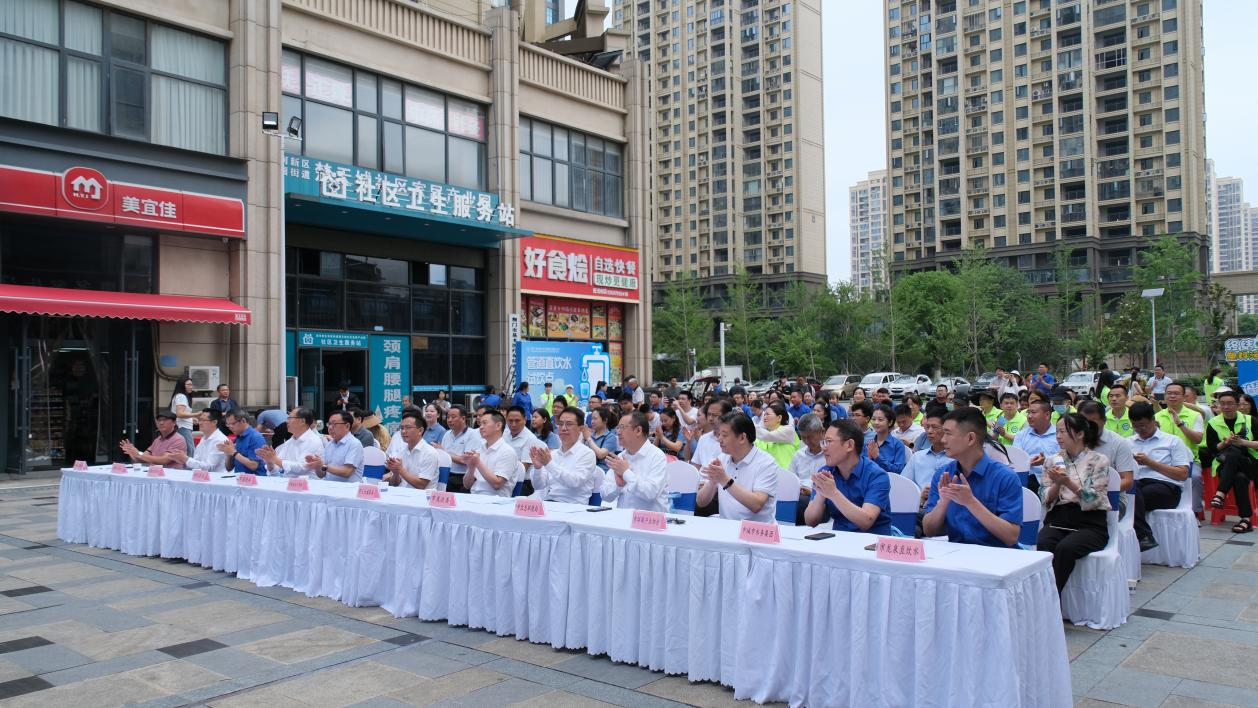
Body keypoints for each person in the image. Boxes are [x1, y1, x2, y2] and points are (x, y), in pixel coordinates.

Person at [922, 407, 1023, 547]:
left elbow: (1011, 537)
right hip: (956, 553)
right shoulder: (943, 474)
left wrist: (970, 502)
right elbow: (929, 531)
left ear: (970, 438)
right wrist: (943, 502)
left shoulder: (1005, 477)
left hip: (996, 555)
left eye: (948, 434)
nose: (943, 440)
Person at [1037, 413, 1113, 593]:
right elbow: (1044, 496)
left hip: (1090, 522)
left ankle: (1051, 597)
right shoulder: (1052, 460)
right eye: (1056, 432)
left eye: (1063, 431)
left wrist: (1068, 482)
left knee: (1066, 548)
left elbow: (1096, 499)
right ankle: (1043, 595)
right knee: (1044, 542)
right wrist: (1057, 483)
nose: (1058, 436)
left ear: (1080, 434)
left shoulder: (1098, 460)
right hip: (1059, 518)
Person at [803, 419, 893, 534]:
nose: (823, 448)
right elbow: (810, 521)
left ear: (849, 445)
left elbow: (866, 521)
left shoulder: (877, 475)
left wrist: (833, 493)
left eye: (829, 441)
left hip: (873, 540)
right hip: (839, 538)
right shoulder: (826, 472)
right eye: (823, 442)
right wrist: (821, 493)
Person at [1129, 401, 1192, 551]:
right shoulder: (1127, 443)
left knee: (1132, 497)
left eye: (1143, 425)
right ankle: (1144, 536)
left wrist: (1150, 462)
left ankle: (1142, 535)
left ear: (1153, 420)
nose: (1139, 430)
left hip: (1166, 487)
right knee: (1131, 492)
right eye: (1135, 426)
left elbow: (1182, 474)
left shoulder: (1172, 441)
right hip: (1137, 484)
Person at [697, 412, 780, 523]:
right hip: (727, 527)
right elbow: (701, 502)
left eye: (724, 435)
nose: (719, 439)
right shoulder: (722, 458)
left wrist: (725, 480)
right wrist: (712, 482)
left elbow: (756, 505)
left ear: (742, 438)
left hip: (756, 530)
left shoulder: (766, 463)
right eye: (719, 434)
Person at [1204, 389, 1258, 533]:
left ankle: (1220, 494)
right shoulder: (1213, 423)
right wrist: (1225, 443)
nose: (1226, 407)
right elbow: (1212, 448)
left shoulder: (1250, 420)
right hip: (1225, 465)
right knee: (1239, 477)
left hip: (1250, 463)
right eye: (1222, 403)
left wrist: (1243, 443)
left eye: (1230, 403)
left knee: (1234, 450)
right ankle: (1245, 519)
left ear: (1237, 405)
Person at [601, 410, 669, 511]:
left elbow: (650, 493)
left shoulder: (657, 456)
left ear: (638, 430)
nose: (618, 432)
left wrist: (626, 473)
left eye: (622, 427)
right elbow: (604, 495)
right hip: (622, 517)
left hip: (649, 519)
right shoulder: (620, 457)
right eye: (617, 428)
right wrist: (618, 486)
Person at [530, 407, 600, 504]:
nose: (563, 428)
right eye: (560, 424)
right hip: (550, 503)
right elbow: (539, 486)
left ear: (581, 428)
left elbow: (575, 482)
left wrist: (549, 464)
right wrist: (537, 468)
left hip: (574, 506)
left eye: (569, 424)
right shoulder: (553, 454)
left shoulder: (587, 454)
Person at [1155, 382, 1205, 515]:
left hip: (1189, 461)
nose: (1172, 396)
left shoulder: (1195, 415)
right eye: (1169, 393)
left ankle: (1194, 513)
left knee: (1195, 477)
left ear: (1183, 397)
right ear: (1164, 397)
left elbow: (1198, 439)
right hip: (1163, 460)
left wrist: (1180, 424)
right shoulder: (1157, 416)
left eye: (1176, 394)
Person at [1078, 401, 1137, 492]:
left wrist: (1097, 493)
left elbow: (1127, 480)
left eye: (1092, 422)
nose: (1087, 426)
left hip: (1112, 495)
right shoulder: (1072, 439)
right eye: (1083, 422)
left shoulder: (1119, 443)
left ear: (1104, 421)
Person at [464, 409, 519, 496]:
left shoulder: (507, 451)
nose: (481, 427)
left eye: (485, 423)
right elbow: (467, 485)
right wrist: (471, 467)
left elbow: (497, 484)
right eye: (480, 424)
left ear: (498, 425)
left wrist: (478, 463)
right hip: (474, 497)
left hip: (496, 500)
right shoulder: (479, 450)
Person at [903, 409, 952, 506]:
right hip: (918, 506)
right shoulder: (917, 457)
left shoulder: (957, 458)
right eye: (927, 427)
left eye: (934, 427)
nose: (929, 431)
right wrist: (919, 496)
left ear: (947, 429)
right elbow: (904, 486)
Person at [257, 407, 324, 477]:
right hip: (288, 481)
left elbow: (302, 467)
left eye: (290, 418)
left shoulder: (313, 441)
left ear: (302, 421)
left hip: (308, 482)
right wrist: (270, 462)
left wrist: (275, 459)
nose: (286, 421)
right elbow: (278, 467)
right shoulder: (290, 442)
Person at [382, 411, 439, 489]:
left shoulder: (430, 453)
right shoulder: (402, 451)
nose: (403, 431)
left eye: (408, 427)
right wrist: (395, 473)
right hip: (402, 493)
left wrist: (400, 469)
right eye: (402, 428)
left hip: (422, 495)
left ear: (420, 431)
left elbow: (421, 485)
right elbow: (395, 484)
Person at [304, 410, 364, 482]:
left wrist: (323, 466)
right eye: (329, 424)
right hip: (329, 486)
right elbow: (321, 475)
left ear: (347, 426)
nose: (330, 427)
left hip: (347, 488)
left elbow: (347, 472)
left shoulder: (354, 444)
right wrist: (317, 466)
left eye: (334, 424)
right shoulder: (329, 444)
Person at [787, 414, 827, 522]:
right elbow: (791, 479)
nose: (807, 441)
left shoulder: (831, 455)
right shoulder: (798, 455)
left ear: (822, 432)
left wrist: (812, 491)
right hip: (798, 495)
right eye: (803, 437)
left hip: (821, 498)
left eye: (810, 437)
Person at [119, 410, 188, 468]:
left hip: (171, 475)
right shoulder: (157, 439)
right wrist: (132, 452)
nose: (161, 423)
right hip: (155, 474)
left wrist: (139, 454)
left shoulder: (178, 439)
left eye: (165, 420)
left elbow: (164, 460)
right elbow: (143, 459)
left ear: (174, 422)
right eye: (159, 420)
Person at [1013, 399, 1059, 485]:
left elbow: (1065, 462)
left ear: (1047, 415)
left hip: (1053, 482)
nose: (1029, 416)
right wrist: (1029, 461)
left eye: (1033, 412)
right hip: (1026, 480)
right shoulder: (1021, 435)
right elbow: (1016, 459)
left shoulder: (1059, 435)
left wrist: (1045, 462)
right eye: (1028, 412)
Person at [505, 405, 547, 494]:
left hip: (523, 482)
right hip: (504, 477)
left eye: (517, 421)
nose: (513, 424)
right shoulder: (504, 434)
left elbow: (523, 468)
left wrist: (503, 476)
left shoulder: (530, 439)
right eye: (510, 421)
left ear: (525, 420)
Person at [440, 405, 481, 493]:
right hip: (447, 475)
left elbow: (465, 460)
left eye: (453, 417)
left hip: (463, 477)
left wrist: (444, 453)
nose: (449, 420)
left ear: (463, 418)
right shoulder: (447, 434)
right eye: (448, 417)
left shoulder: (472, 434)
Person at [688, 398, 732, 471]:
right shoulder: (703, 438)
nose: (710, 418)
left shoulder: (733, 441)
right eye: (709, 414)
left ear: (727, 415)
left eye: (715, 415)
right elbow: (697, 465)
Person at [754, 400, 801, 469]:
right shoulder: (762, 436)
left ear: (779, 418)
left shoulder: (788, 430)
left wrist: (748, 423)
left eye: (768, 414)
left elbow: (768, 436)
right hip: (770, 473)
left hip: (789, 472)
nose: (764, 417)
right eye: (764, 415)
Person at [865, 403, 907, 475]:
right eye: (873, 419)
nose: (876, 422)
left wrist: (877, 457)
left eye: (880, 420)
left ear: (890, 422)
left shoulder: (898, 445)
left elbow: (898, 470)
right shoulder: (868, 443)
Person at [220, 409, 264, 474]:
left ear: (243, 421)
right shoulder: (238, 438)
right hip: (239, 478)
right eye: (228, 424)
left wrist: (233, 452)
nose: (230, 427)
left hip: (255, 479)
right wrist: (228, 453)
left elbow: (254, 465)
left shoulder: (255, 437)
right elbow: (229, 468)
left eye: (233, 423)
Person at [585, 406, 622, 471]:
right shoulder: (590, 435)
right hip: (588, 470)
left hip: (603, 472)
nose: (592, 421)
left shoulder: (611, 437)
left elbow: (601, 454)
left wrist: (588, 438)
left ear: (605, 420)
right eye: (592, 419)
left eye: (595, 419)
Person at [168, 377, 197, 452]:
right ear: (182, 385)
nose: (191, 387)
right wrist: (197, 414)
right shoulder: (181, 396)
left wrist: (191, 419)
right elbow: (180, 414)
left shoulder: (180, 396)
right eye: (188, 384)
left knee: (183, 449)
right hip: (182, 426)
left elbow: (180, 413)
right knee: (190, 450)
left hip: (182, 426)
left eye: (191, 385)